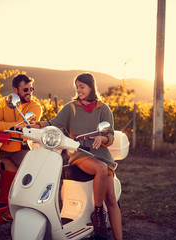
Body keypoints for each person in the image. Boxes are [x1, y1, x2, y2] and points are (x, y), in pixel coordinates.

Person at [28, 73, 122, 239]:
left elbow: (111, 135)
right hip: (79, 153)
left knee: (112, 200)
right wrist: (35, 126)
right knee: (100, 168)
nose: (79, 90)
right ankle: (98, 213)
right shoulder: (71, 107)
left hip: (101, 154)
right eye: (77, 87)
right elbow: (53, 123)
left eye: (82, 87)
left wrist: (103, 138)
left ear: (91, 87)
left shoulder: (103, 108)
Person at [0, 73, 42, 220]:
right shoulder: (5, 101)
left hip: (22, 149)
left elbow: (23, 126)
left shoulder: (35, 107)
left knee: (26, 178)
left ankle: (20, 208)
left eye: (31, 89)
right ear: (15, 90)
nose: (29, 92)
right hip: (3, 147)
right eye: (25, 89)